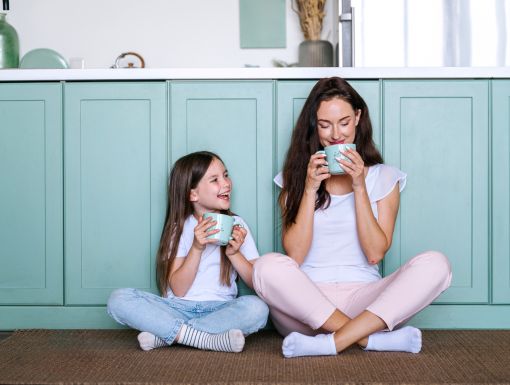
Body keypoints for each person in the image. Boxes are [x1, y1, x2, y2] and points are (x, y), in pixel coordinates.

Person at [252, 77, 452, 358]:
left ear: (358, 117)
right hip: (306, 305)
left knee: (436, 265)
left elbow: (374, 253)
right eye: (324, 125)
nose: (335, 135)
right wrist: (309, 188)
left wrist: (360, 185)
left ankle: (332, 342)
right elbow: (294, 255)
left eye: (344, 122)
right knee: (266, 267)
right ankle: (368, 340)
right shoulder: (295, 179)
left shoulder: (384, 177)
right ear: (313, 125)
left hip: (366, 301)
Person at [107, 151, 269, 353]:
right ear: (193, 194)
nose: (226, 183)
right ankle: (207, 339)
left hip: (220, 309)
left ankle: (169, 336)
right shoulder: (179, 228)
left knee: (258, 308)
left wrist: (234, 254)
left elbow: (258, 283)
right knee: (119, 299)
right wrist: (197, 247)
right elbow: (179, 289)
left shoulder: (237, 225)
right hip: (177, 309)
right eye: (215, 180)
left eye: (226, 175)